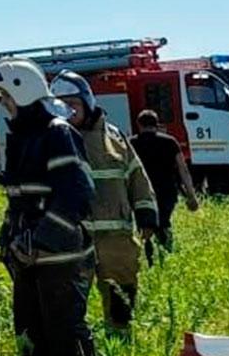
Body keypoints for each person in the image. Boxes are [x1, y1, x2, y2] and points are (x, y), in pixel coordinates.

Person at [0, 58, 97, 356]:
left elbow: (76, 194)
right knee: (29, 327)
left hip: (58, 255)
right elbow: (17, 200)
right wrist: (9, 242)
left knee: (64, 329)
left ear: (24, 92)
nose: (4, 108)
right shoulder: (20, 139)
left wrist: (42, 240)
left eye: (5, 99)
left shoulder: (57, 133)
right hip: (27, 256)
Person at [50, 73, 158, 332]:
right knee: (67, 301)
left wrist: (147, 216)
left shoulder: (115, 138)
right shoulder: (54, 140)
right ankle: (76, 350)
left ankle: (120, 339)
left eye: (72, 103)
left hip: (116, 237)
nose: (67, 110)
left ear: (87, 101)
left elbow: (137, 177)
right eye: (60, 104)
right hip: (73, 238)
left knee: (121, 294)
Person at [129, 108, 200, 258]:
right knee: (164, 222)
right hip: (166, 190)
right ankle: (167, 254)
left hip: (141, 191)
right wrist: (191, 195)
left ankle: (147, 257)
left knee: (144, 225)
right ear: (157, 124)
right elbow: (183, 169)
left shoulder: (131, 143)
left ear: (139, 125)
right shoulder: (170, 142)